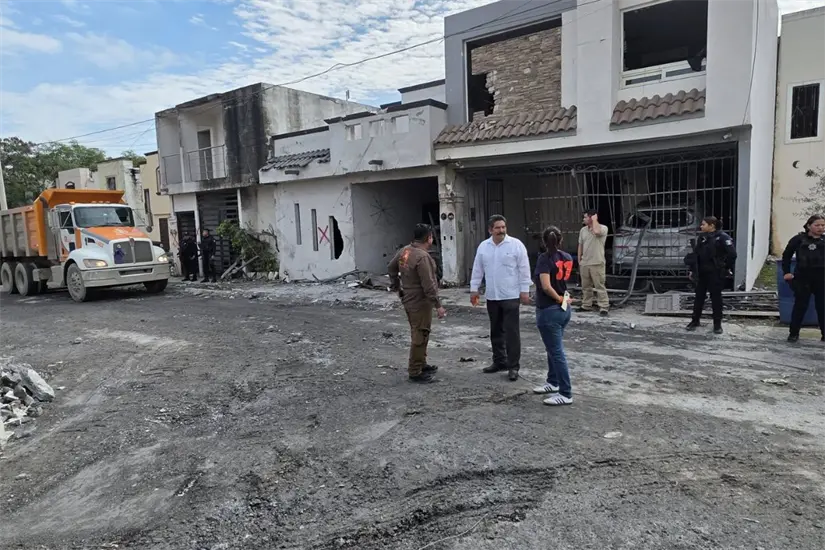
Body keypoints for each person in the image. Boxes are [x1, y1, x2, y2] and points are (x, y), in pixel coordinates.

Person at [470, 215, 532, 382]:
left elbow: (524, 269)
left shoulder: (516, 245)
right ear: (490, 229)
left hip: (511, 296)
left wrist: (525, 290)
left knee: (511, 333)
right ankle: (499, 362)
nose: (501, 230)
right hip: (492, 296)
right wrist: (473, 289)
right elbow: (478, 269)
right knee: (496, 331)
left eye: (503, 227)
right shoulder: (484, 247)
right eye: (497, 228)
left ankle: (513, 367)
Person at [388, 224, 447, 384]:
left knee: (421, 331)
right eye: (431, 237)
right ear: (428, 238)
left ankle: (421, 362)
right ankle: (415, 371)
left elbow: (391, 267)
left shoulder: (405, 251)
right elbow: (428, 285)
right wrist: (438, 305)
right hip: (420, 301)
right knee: (420, 334)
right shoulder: (422, 257)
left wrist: (397, 287)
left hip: (408, 297)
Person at [532, 226, 575, 406]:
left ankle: (565, 392)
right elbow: (562, 281)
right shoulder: (567, 257)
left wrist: (557, 299)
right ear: (560, 240)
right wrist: (562, 299)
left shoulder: (544, 259)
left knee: (556, 352)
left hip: (549, 309)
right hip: (564, 309)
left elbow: (546, 286)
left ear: (543, 241)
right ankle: (553, 382)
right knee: (552, 348)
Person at [684, 216, 737, 335]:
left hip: (715, 273)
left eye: (703, 224)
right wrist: (692, 270)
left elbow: (732, 254)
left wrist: (725, 267)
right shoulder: (702, 237)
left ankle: (717, 325)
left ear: (711, 225)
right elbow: (696, 255)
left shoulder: (722, 237)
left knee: (716, 299)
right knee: (699, 298)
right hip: (701, 272)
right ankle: (695, 320)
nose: (701, 226)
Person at [782, 214, 825, 343]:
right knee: (800, 306)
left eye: (823, 225)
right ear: (808, 226)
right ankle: (793, 333)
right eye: (817, 225)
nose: (820, 228)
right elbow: (786, 256)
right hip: (803, 277)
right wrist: (786, 272)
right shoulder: (799, 239)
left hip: (821, 277)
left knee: (822, 306)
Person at [578, 209, 610, 316]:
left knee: (599, 285)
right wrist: (579, 259)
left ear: (592, 217)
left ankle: (604, 306)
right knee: (586, 286)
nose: (584, 219)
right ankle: (586, 305)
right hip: (585, 262)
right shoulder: (583, 230)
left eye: (586, 217)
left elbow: (596, 232)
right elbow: (580, 245)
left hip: (597, 262)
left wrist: (595, 220)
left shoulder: (603, 228)